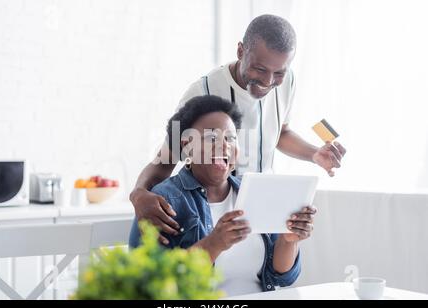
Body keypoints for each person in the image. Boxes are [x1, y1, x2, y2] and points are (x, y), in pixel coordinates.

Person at [130, 14, 345, 245]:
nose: (268, 81)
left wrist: (314, 154)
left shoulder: (287, 81)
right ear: (241, 51)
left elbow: (280, 133)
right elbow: (165, 159)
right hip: (216, 212)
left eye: (279, 73)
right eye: (260, 69)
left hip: (264, 207)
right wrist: (138, 194)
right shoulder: (202, 92)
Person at [129, 96, 317, 295]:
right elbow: (150, 285)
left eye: (231, 138)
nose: (224, 145)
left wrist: (289, 240)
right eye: (211, 138)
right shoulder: (164, 200)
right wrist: (213, 244)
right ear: (187, 146)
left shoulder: (257, 190)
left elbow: (280, 275)